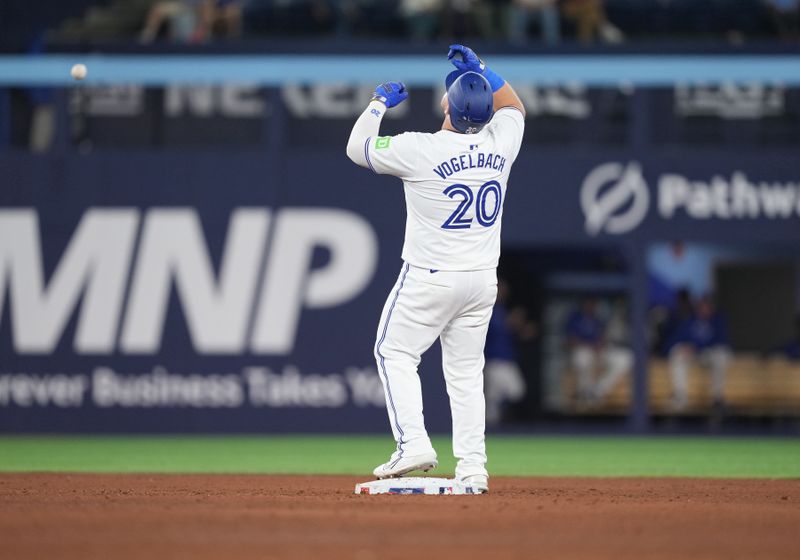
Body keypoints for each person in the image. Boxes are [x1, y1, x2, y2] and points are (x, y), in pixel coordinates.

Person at [345, 44, 526, 493]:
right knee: (466, 374)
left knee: (395, 352)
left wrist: (377, 104)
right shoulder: (500, 144)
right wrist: (483, 69)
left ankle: (415, 445)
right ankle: (473, 469)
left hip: (431, 276)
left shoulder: (420, 149)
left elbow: (357, 148)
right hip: (482, 280)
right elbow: (515, 107)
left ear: (448, 104)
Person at [667, 296, 730, 412]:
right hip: (692, 356)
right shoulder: (690, 321)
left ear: (712, 308)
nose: (705, 309)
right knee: (677, 353)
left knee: (722, 355)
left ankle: (717, 398)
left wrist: (696, 346)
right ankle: (680, 396)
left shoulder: (717, 321)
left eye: (708, 307)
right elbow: (674, 340)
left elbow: (722, 342)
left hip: (709, 355)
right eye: (702, 306)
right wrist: (685, 346)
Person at [565, 298, 632, 406]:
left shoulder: (598, 319)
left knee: (626, 359)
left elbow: (603, 337)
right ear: (584, 304)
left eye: (594, 303)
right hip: (584, 352)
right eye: (589, 303)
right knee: (581, 356)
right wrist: (590, 346)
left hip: (599, 352)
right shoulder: (574, 318)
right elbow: (569, 341)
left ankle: (597, 391)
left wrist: (601, 345)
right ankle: (585, 393)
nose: (592, 306)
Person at [483, 279, 532, 425]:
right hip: (494, 359)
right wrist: (512, 321)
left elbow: (511, 332)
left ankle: (492, 416)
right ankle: (490, 423)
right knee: (498, 394)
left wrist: (522, 329)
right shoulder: (487, 309)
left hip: (507, 359)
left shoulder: (502, 309)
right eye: (500, 289)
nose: (502, 292)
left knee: (516, 391)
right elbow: (496, 329)